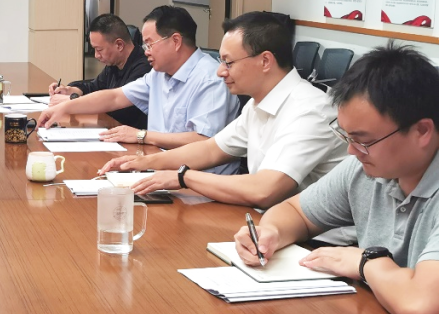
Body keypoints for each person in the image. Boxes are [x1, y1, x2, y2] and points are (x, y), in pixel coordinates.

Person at [235, 43, 439, 314]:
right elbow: (295, 211)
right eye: (346, 135)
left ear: (422, 131)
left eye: (364, 140)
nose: (352, 151)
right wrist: (271, 233)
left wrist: (366, 262)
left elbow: (424, 308)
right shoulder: (365, 168)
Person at [100, 12, 346, 208]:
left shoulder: (310, 110)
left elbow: (265, 190)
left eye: (228, 62)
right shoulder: (257, 105)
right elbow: (210, 150)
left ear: (265, 61)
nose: (220, 72)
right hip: (270, 223)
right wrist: (143, 162)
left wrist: (182, 177)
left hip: (318, 242)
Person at [38, 5, 239, 173]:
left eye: (150, 44)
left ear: (176, 41)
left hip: (200, 184)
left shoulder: (210, 79)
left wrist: (141, 135)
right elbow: (115, 97)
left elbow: (203, 140)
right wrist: (65, 108)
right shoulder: (159, 73)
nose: (146, 52)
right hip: (159, 168)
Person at [46, 14, 150, 129]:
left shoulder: (144, 68)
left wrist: (72, 101)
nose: (96, 55)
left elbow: (117, 107)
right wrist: (70, 90)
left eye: (99, 49)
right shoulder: (115, 63)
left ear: (119, 45)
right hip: (111, 130)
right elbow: (94, 86)